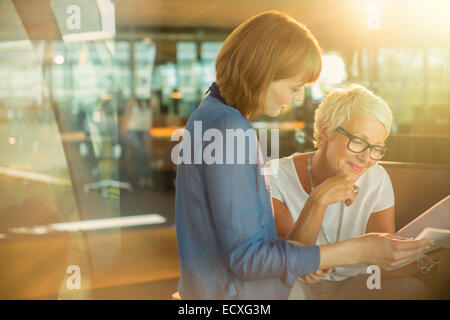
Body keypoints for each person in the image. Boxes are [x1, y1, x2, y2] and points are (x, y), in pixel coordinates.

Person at [175, 11, 432, 300]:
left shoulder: (209, 116)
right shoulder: (228, 127)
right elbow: (247, 260)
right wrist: (358, 249)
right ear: (264, 72)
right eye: (294, 87)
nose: (297, 98)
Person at [267, 84, 433, 299]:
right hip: (295, 287)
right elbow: (293, 264)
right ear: (326, 131)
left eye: (376, 148)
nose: (366, 158)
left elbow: (381, 264)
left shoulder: (377, 179)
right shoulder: (274, 177)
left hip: (353, 286)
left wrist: (425, 255)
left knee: (413, 289)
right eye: (358, 141)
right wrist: (319, 199)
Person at [122, 96, 153, 188]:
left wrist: (149, 131)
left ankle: (147, 178)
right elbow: (126, 116)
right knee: (141, 152)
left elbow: (149, 117)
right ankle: (143, 178)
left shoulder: (150, 100)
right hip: (132, 130)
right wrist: (124, 130)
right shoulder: (132, 100)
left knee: (147, 154)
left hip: (145, 130)